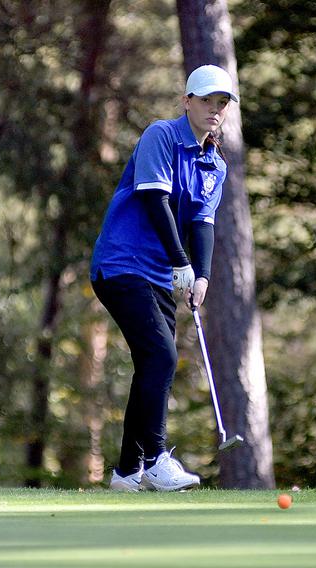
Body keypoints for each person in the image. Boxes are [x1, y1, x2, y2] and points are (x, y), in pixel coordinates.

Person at [90, 65, 238, 492]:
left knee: (153, 363)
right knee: (163, 357)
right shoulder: (161, 136)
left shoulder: (215, 164)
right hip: (121, 264)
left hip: (159, 274)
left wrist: (203, 274)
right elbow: (154, 198)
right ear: (187, 101)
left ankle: (125, 472)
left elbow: (203, 223)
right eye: (207, 101)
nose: (214, 109)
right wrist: (180, 261)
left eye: (221, 103)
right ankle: (155, 460)